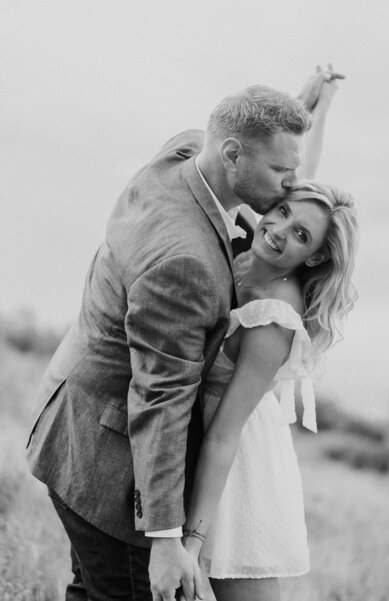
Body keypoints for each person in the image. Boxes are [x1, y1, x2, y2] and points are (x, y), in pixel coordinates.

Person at [26, 68, 340, 601]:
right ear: (234, 155)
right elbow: (160, 396)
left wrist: (303, 111)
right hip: (111, 467)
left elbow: (291, 187)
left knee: (90, 588)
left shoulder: (186, 154)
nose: (291, 183)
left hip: (69, 427)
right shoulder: (188, 262)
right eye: (281, 172)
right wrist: (170, 539)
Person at [180, 179, 358, 601]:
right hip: (211, 446)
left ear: (314, 255)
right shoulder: (252, 255)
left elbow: (225, 433)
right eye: (280, 211)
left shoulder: (273, 319)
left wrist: (192, 541)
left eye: (300, 234)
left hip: (240, 464)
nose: (279, 229)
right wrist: (316, 111)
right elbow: (295, 184)